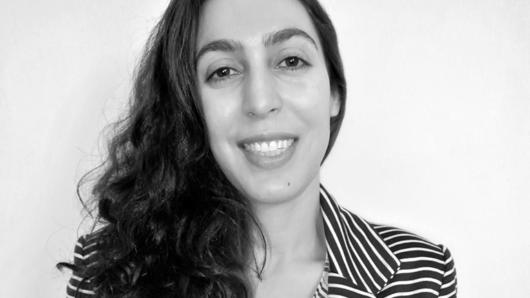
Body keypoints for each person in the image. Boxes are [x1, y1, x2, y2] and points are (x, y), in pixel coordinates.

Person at [60, 0, 457, 297]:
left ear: (334, 92)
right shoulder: (111, 270)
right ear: (189, 106)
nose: (260, 100)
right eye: (223, 71)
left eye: (290, 61)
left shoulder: (418, 273)